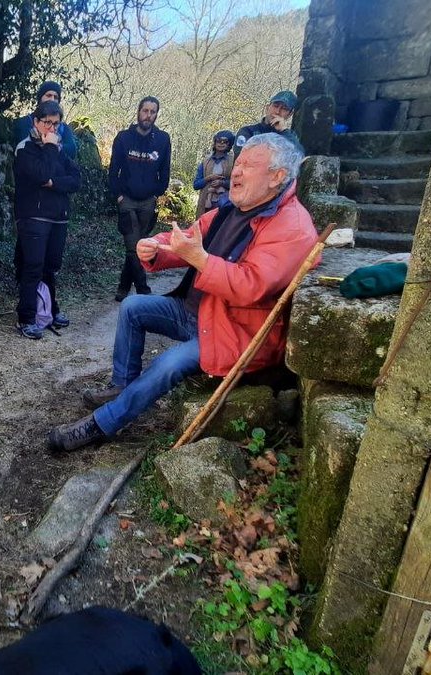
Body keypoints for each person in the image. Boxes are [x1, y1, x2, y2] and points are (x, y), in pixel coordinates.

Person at [48, 134, 315, 452]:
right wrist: (155, 248)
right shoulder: (233, 208)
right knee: (133, 305)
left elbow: (249, 286)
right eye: (238, 163)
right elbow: (189, 237)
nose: (237, 172)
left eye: (248, 165)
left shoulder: (293, 228)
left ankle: (102, 424)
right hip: (199, 313)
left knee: (168, 364)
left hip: (233, 332)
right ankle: (122, 386)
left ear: (277, 177)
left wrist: (199, 259)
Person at [12, 100, 81, 339]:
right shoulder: (26, 148)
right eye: (47, 123)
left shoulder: (60, 149)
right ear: (36, 122)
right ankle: (26, 318)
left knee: (51, 268)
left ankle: (50, 311)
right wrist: (50, 152)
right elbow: (41, 173)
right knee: (33, 267)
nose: (51, 129)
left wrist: (54, 183)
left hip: (58, 217)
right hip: (33, 216)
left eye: (56, 124)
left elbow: (75, 179)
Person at [108, 96, 171, 302]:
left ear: (156, 114)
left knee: (137, 245)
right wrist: (118, 196)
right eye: (145, 111)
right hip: (126, 199)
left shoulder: (162, 140)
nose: (148, 115)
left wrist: (157, 193)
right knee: (133, 245)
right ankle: (143, 288)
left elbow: (165, 170)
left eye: (153, 112)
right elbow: (113, 169)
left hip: (148, 201)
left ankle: (123, 287)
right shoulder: (124, 138)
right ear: (138, 111)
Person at [12, 80, 78, 160]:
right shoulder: (25, 122)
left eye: (55, 97)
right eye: (48, 95)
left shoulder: (63, 128)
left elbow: (72, 151)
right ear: (40, 98)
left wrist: (55, 146)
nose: (52, 99)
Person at [235, 90, 301, 151]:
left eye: (284, 109)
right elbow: (242, 157)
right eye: (275, 106)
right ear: (267, 108)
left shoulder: (290, 136)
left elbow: (297, 156)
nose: (277, 111)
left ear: (289, 115)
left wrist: (284, 131)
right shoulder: (248, 131)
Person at [193, 130, 235, 215]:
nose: (221, 143)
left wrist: (222, 183)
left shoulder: (234, 161)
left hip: (225, 203)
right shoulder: (205, 162)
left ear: (229, 144)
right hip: (205, 202)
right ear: (215, 142)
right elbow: (196, 185)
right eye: (219, 141)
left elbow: (237, 183)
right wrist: (208, 178)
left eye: (225, 142)